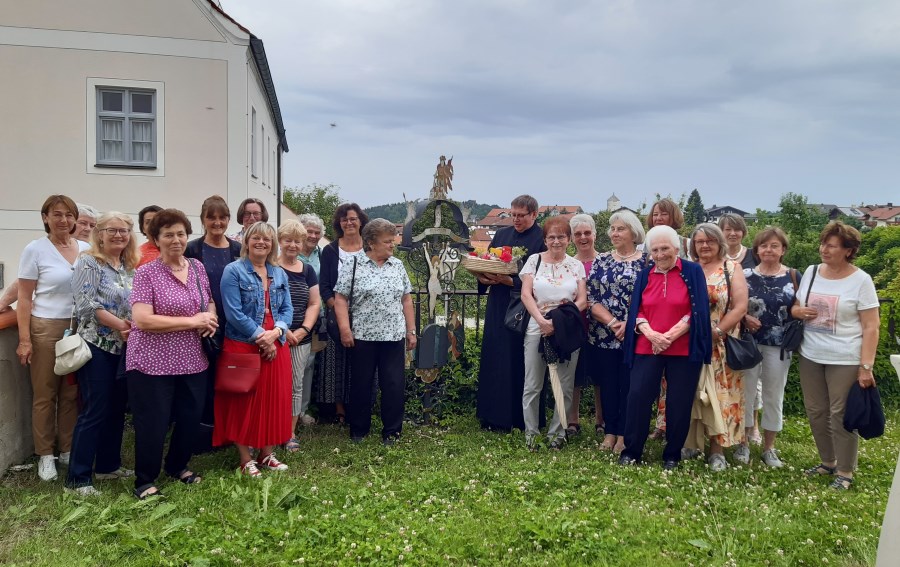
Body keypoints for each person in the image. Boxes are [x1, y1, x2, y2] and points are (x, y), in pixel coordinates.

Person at [127, 208, 216, 499]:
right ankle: (145, 480)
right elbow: (143, 319)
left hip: (192, 357)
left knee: (191, 417)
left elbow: (209, 301)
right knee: (154, 421)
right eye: (168, 235)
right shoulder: (146, 272)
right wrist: (193, 322)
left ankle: (177, 466)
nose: (176, 239)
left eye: (180, 233)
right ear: (156, 238)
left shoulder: (198, 267)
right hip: (152, 361)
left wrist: (210, 319)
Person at [792, 221, 879, 490]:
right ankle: (827, 462)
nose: (824, 250)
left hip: (845, 357)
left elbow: (871, 325)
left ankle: (845, 471)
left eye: (831, 246)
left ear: (848, 250)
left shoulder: (861, 280)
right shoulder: (811, 271)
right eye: (823, 244)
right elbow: (796, 305)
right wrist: (798, 312)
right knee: (816, 411)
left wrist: (866, 366)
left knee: (840, 414)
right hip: (811, 353)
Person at [619, 225, 711, 470]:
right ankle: (632, 451)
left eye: (665, 249)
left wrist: (670, 335)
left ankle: (672, 454)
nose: (660, 254)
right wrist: (651, 334)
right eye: (655, 250)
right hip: (647, 346)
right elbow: (636, 309)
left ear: (677, 248)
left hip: (682, 348)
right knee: (637, 397)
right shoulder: (645, 274)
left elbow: (699, 309)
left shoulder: (692, 271)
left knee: (678, 403)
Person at [16, 195, 90, 481]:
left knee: (71, 392)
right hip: (45, 325)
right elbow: (24, 297)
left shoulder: (84, 248)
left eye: (69, 215)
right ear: (45, 217)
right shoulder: (35, 249)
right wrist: (25, 339)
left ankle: (68, 450)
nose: (64, 220)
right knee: (45, 393)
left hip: (78, 326)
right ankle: (45, 455)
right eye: (57, 214)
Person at [65, 212, 138, 496]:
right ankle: (78, 478)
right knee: (94, 410)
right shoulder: (89, 261)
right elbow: (85, 305)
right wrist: (121, 325)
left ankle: (108, 466)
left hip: (124, 348)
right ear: (100, 233)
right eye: (112, 230)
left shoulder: (129, 266)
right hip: (97, 346)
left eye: (124, 230)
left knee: (117, 410)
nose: (119, 235)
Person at [215, 222, 293, 477]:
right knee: (243, 400)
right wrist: (262, 336)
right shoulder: (233, 271)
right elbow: (233, 312)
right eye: (256, 238)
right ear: (246, 242)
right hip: (244, 342)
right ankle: (245, 457)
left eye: (267, 239)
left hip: (276, 341)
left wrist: (277, 332)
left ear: (273, 245)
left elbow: (287, 310)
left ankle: (267, 453)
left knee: (272, 399)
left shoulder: (279, 272)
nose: (261, 242)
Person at [334, 218, 416, 445]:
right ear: (371, 243)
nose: (392, 245)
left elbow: (406, 299)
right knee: (361, 383)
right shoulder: (354, 265)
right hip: (363, 335)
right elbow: (340, 299)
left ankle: (392, 431)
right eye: (387, 241)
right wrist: (344, 329)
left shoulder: (397, 265)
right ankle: (358, 430)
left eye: (393, 241)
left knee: (393, 384)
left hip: (393, 335)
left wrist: (411, 330)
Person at [475, 195, 547, 431]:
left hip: (524, 308)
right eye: (512, 215)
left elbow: (542, 280)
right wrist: (483, 276)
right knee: (495, 358)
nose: (515, 219)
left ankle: (518, 418)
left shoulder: (541, 240)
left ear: (534, 215)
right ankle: (492, 416)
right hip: (498, 304)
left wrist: (510, 281)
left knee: (519, 362)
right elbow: (488, 261)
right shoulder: (502, 235)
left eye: (521, 215)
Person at [684, 223, 748, 471]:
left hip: (719, 344)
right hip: (688, 342)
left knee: (719, 397)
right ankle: (691, 443)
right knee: (689, 393)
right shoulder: (688, 269)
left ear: (719, 242)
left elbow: (740, 306)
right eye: (699, 241)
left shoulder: (732, 269)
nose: (704, 245)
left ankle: (717, 450)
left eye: (709, 241)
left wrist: (718, 331)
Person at [519, 216, 587, 451]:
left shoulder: (576, 265)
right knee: (533, 384)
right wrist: (541, 320)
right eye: (551, 237)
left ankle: (557, 435)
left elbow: (582, 300)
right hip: (537, 326)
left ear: (568, 239)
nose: (556, 241)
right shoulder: (533, 261)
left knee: (564, 385)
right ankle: (532, 436)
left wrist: (560, 320)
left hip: (566, 328)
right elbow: (526, 295)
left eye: (561, 237)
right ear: (545, 239)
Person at [585, 210, 648, 452]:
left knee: (630, 386)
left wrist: (629, 324)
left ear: (634, 232)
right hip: (604, 335)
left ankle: (624, 434)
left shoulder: (646, 261)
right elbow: (592, 297)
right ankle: (610, 432)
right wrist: (612, 323)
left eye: (620, 229)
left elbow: (650, 299)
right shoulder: (602, 261)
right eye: (612, 229)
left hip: (637, 334)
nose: (614, 233)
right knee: (608, 385)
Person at [735, 227, 798, 468]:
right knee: (746, 394)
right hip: (748, 343)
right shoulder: (744, 274)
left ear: (783, 250)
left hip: (779, 345)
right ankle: (743, 442)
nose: (768, 250)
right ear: (757, 249)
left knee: (773, 396)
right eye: (764, 246)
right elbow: (733, 303)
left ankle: (769, 448)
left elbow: (800, 306)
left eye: (774, 246)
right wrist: (743, 318)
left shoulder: (792, 276)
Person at [184, 195, 242, 452]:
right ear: (203, 220)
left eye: (222, 218)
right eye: (212, 218)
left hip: (233, 324)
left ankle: (228, 431)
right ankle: (203, 433)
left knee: (228, 379)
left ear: (228, 220)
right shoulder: (193, 249)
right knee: (203, 382)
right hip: (203, 325)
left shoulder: (238, 249)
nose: (217, 223)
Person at [317, 204, 369, 424]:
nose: (349, 223)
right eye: (344, 219)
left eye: (353, 219)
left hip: (366, 316)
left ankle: (358, 405)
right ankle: (339, 409)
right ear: (339, 223)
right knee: (336, 363)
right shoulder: (330, 250)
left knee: (362, 362)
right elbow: (325, 286)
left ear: (361, 221)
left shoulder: (369, 248)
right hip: (336, 316)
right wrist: (339, 311)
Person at [645, 197, 690, 440]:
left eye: (664, 214)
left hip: (682, 323)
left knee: (678, 385)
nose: (659, 218)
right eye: (655, 214)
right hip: (653, 322)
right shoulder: (646, 246)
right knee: (656, 382)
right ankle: (660, 425)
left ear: (674, 217)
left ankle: (676, 428)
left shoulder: (687, 244)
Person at [719, 212, 763, 443]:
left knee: (750, 378)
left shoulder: (752, 256)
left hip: (750, 326)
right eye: (727, 229)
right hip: (727, 322)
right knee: (725, 378)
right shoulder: (716, 257)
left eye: (736, 229)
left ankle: (752, 425)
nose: (732, 233)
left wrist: (745, 315)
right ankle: (724, 423)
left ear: (743, 232)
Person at [277, 219, 321, 449]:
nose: (293, 245)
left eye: (297, 240)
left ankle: (289, 433)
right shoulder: (271, 267)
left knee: (295, 386)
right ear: (280, 241)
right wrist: (281, 332)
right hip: (274, 338)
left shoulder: (307, 270)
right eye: (288, 240)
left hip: (300, 339)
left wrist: (303, 329)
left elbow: (314, 303)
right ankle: (268, 430)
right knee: (273, 387)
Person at [565, 214, 602, 437]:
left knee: (601, 376)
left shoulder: (605, 261)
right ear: (571, 237)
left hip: (601, 326)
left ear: (595, 235)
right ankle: (572, 420)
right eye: (578, 234)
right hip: (575, 325)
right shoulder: (568, 264)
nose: (583, 237)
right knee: (574, 375)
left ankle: (601, 420)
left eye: (587, 233)